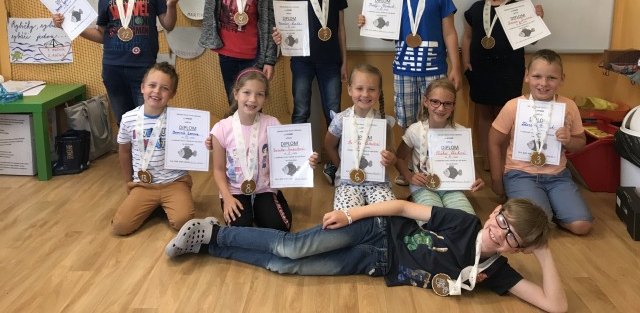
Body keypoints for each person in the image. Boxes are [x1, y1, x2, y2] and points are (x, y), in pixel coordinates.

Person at [165, 198, 568, 313]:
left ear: (520, 247)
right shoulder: (465, 223)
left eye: (511, 235)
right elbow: (403, 208)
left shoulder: (495, 271)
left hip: (374, 263)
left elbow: (555, 306)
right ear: (495, 211)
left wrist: (544, 252)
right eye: (501, 219)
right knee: (292, 247)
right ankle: (217, 230)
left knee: (282, 267)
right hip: (376, 229)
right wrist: (350, 214)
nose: (498, 231)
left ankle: (208, 244)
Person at [357, 0, 461, 186]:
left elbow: (449, 33)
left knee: (436, 117)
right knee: (407, 120)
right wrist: (369, 24)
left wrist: (456, 67)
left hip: (435, 70)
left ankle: (434, 166)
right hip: (403, 70)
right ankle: (409, 169)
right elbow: (390, 34)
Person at [53, 0, 180, 125]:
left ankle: (148, 146)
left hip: (144, 68)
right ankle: (127, 146)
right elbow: (102, 35)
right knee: (124, 121)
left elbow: (168, 24)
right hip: (113, 69)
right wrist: (69, 26)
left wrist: (172, 5)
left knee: (148, 121)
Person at [271, 0, 348, 186]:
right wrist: (280, 37)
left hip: (331, 60)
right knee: (301, 110)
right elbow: (288, 27)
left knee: (334, 113)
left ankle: (336, 163)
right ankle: (297, 162)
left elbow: (341, 28)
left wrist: (345, 61)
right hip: (301, 60)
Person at [488, 49, 592, 235]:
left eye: (552, 78)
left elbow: (581, 143)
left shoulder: (568, 106)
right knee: (538, 226)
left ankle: (552, 210)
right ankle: (542, 209)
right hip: (521, 174)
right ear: (527, 76)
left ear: (562, 79)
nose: (544, 83)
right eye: (537, 76)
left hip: (558, 176)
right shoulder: (513, 106)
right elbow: (494, 141)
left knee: (582, 226)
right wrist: (497, 179)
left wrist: (569, 140)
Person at [207, 68, 317, 231]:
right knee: (241, 229)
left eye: (259, 94)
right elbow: (218, 169)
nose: (252, 99)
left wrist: (306, 161)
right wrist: (227, 198)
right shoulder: (221, 128)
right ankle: (251, 210)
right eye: (247, 92)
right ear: (236, 94)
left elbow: (287, 156)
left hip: (264, 188)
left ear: (265, 97)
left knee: (280, 227)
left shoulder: (272, 124)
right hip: (234, 191)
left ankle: (270, 201)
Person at [462, 0, 544, 170]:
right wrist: (465, 60)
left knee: (506, 115)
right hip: (480, 70)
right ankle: (488, 159)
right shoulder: (476, 9)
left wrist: (537, 20)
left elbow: (532, 40)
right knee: (483, 114)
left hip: (509, 70)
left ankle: (503, 160)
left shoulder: (520, 10)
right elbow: (467, 36)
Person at [111, 62, 194, 235]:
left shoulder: (180, 120)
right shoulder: (128, 119)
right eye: (152, 85)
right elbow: (124, 151)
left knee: (183, 222)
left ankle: (166, 203)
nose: (157, 91)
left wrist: (203, 144)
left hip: (175, 182)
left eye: (165, 88)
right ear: (142, 87)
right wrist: (128, 181)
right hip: (144, 184)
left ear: (172, 94)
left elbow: (192, 148)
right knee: (120, 227)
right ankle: (156, 205)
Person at [395, 78, 484, 215]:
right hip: (423, 186)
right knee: (431, 216)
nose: (441, 108)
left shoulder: (460, 133)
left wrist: (477, 179)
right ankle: (415, 200)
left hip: (452, 187)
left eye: (447, 103)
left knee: (465, 218)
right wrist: (409, 175)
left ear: (453, 106)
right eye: (435, 102)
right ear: (426, 101)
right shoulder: (415, 130)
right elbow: (399, 158)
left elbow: (467, 164)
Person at [322, 64, 397, 210]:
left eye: (372, 89)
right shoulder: (341, 120)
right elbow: (329, 145)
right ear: (350, 90)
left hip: (378, 182)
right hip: (348, 183)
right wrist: (341, 167)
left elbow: (392, 153)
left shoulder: (384, 121)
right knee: (347, 215)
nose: (365, 94)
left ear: (379, 92)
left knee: (389, 213)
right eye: (359, 88)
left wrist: (391, 159)